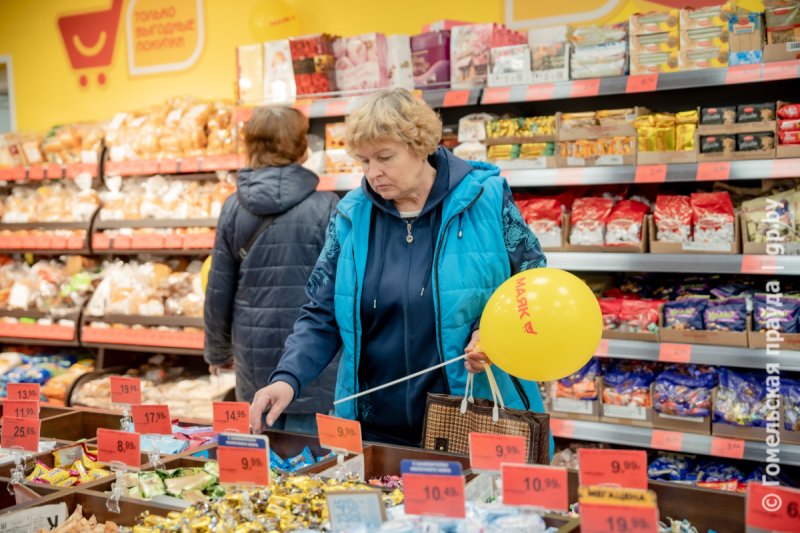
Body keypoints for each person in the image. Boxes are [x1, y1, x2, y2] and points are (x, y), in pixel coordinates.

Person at [249, 89, 552, 449]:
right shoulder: (350, 216)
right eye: (363, 161)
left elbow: (533, 287)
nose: (373, 173)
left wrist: (489, 332)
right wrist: (287, 378)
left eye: (385, 157)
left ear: (420, 145)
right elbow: (321, 313)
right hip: (374, 430)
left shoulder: (487, 200)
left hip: (472, 419)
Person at [204, 106, 339, 433]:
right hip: (314, 361)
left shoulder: (233, 208)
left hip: (254, 357)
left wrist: (217, 352)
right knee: (315, 463)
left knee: (265, 459)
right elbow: (340, 289)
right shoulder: (328, 206)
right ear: (302, 147)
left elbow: (219, 287)